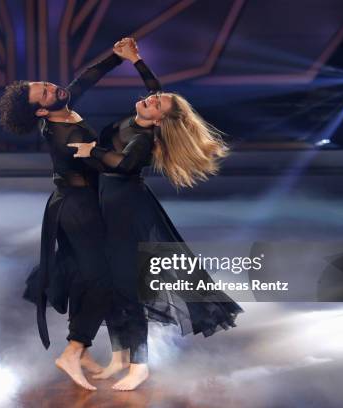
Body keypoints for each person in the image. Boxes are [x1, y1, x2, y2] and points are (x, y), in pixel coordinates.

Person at [69, 39, 244, 391]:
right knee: (111, 287)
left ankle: (140, 364)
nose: (150, 99)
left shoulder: (146, 138)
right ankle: (119, 356)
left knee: (126, 289)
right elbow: (156, 90)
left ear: (159, 119)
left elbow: (125, 164)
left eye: (156, 103)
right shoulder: (143, 114)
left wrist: (93, 151)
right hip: (108, 206)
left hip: (126, 212)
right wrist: (136, 61)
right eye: (153, 97)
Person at [0, 39, 143, 390]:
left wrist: (116, 57)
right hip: (79, 210)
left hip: (72, 204)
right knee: (101, 279)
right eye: (44, 93)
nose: (52, 87)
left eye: (45, 84)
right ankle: (74, 351)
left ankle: (92, 351)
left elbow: (85, 78)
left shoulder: (62, 107)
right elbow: (113, 165)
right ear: (41, 113)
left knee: (86, 276)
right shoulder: (66, 136)